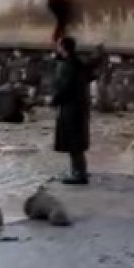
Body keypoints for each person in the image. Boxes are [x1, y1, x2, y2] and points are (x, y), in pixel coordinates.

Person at [51, 36, 91, 185]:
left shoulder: (70, 66)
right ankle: (79, 171)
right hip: (77, 107)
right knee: (75, 142)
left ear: (63, 47)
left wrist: (55, 100)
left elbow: (65, 87)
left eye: (59, 46)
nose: (57, 48)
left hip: (71, 108)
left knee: (74, 142)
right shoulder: (76, 63)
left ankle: (79, 174)